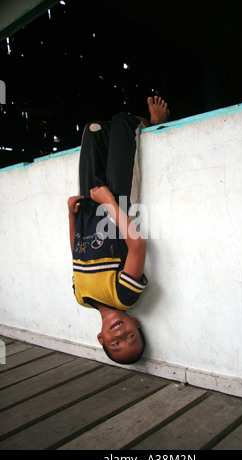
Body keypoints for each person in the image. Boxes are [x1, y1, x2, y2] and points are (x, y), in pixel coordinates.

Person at [68, 96, 170, 365]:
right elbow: (138, 246)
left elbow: (78, 254)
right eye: (131, 337)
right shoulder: (125, 296)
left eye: (116, 342)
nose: (121, 334)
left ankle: (122, 129)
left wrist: (71, 215)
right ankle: (152, 123)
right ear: (135, 323)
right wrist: (111, 202)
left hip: (89, 208)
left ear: (101, 338)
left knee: (93, 131)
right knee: (123, 123)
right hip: (119, 203)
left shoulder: (82, 297)